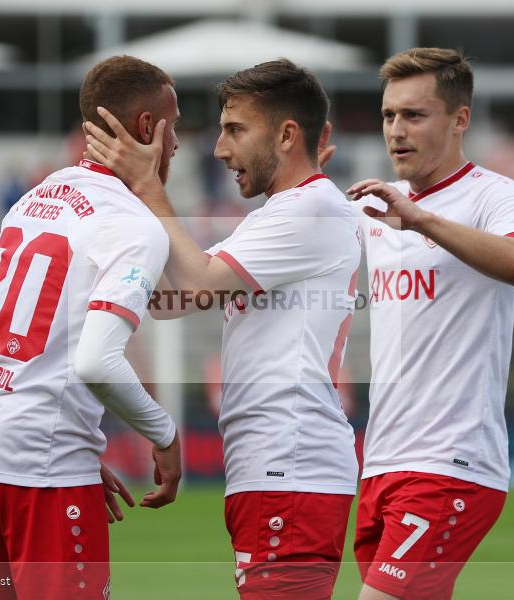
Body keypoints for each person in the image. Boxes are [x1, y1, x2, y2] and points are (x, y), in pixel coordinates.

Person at [84, 59, 359, 600]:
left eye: (235, 130)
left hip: (290, 465)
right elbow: (171, 299)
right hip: (274, 469)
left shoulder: (313, 207)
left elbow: (200, 279)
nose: (218, 148)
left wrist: (145, 185)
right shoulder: (277, 216)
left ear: (286, 135)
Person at [0, 55, 183, 600]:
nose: (177, 144)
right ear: (148, 128)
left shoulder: (32, 201)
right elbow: (97, 361)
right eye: (174, 126)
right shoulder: (134, 224)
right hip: (37, 463)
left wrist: (67, 444)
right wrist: (164, 435)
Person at [348, 48, 514, 600]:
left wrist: (424, 222)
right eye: (389, 115)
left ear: (460, 119)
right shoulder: (375, 209)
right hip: (383, 461)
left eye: (415, 115)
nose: (396, 130)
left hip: (451, 463)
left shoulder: (493, 195)